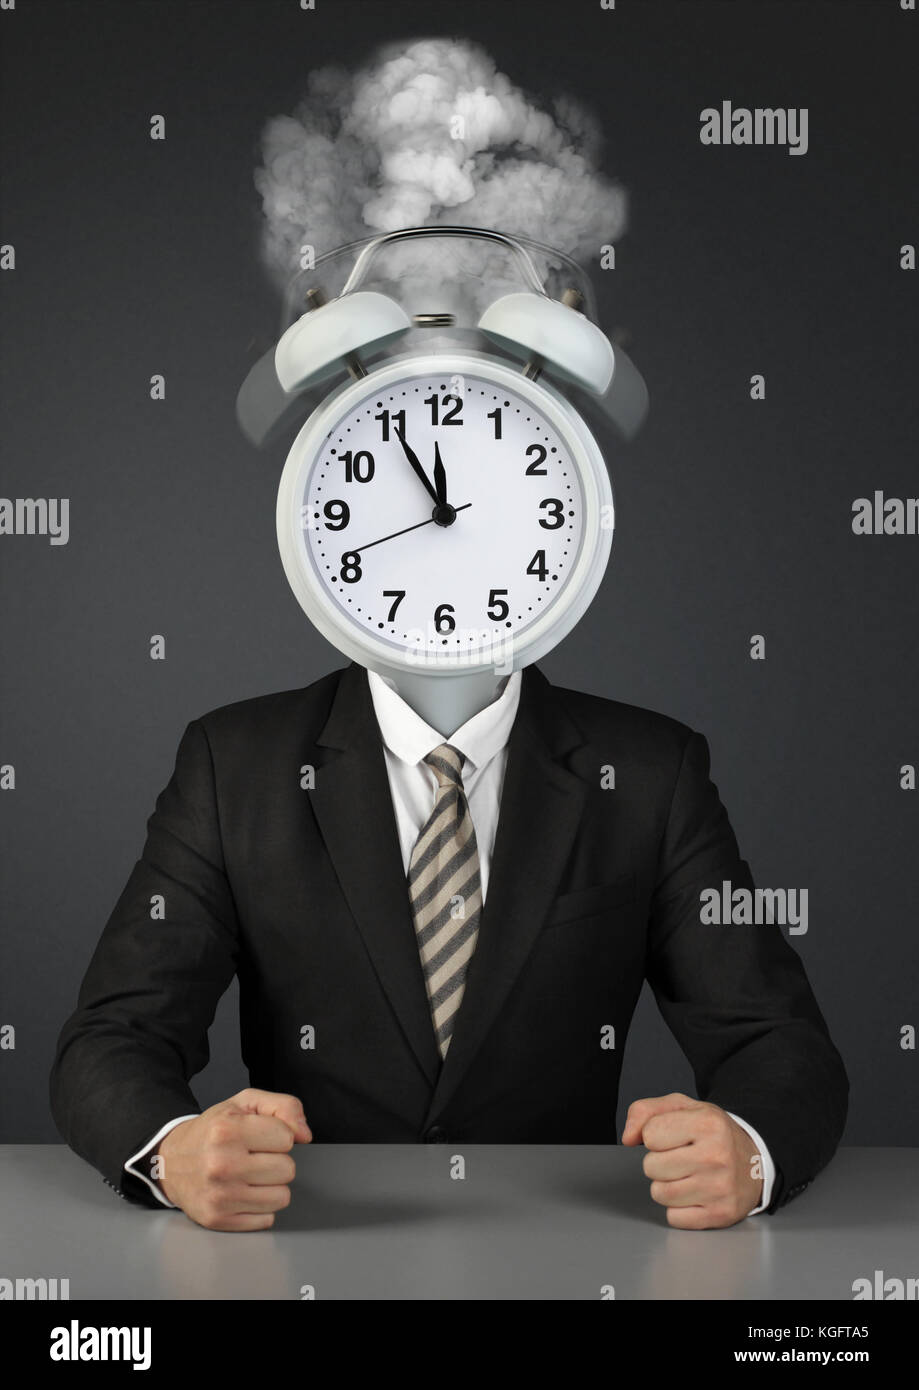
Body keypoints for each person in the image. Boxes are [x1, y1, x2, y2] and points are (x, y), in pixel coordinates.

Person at [49, 660, 848, 1231]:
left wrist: (748, 1152)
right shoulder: (237, 764)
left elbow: (774, 1036)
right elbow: (114, 1035)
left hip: (565, 1252)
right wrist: (171, 1154)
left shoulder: (647, 770)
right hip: (301, 1245)